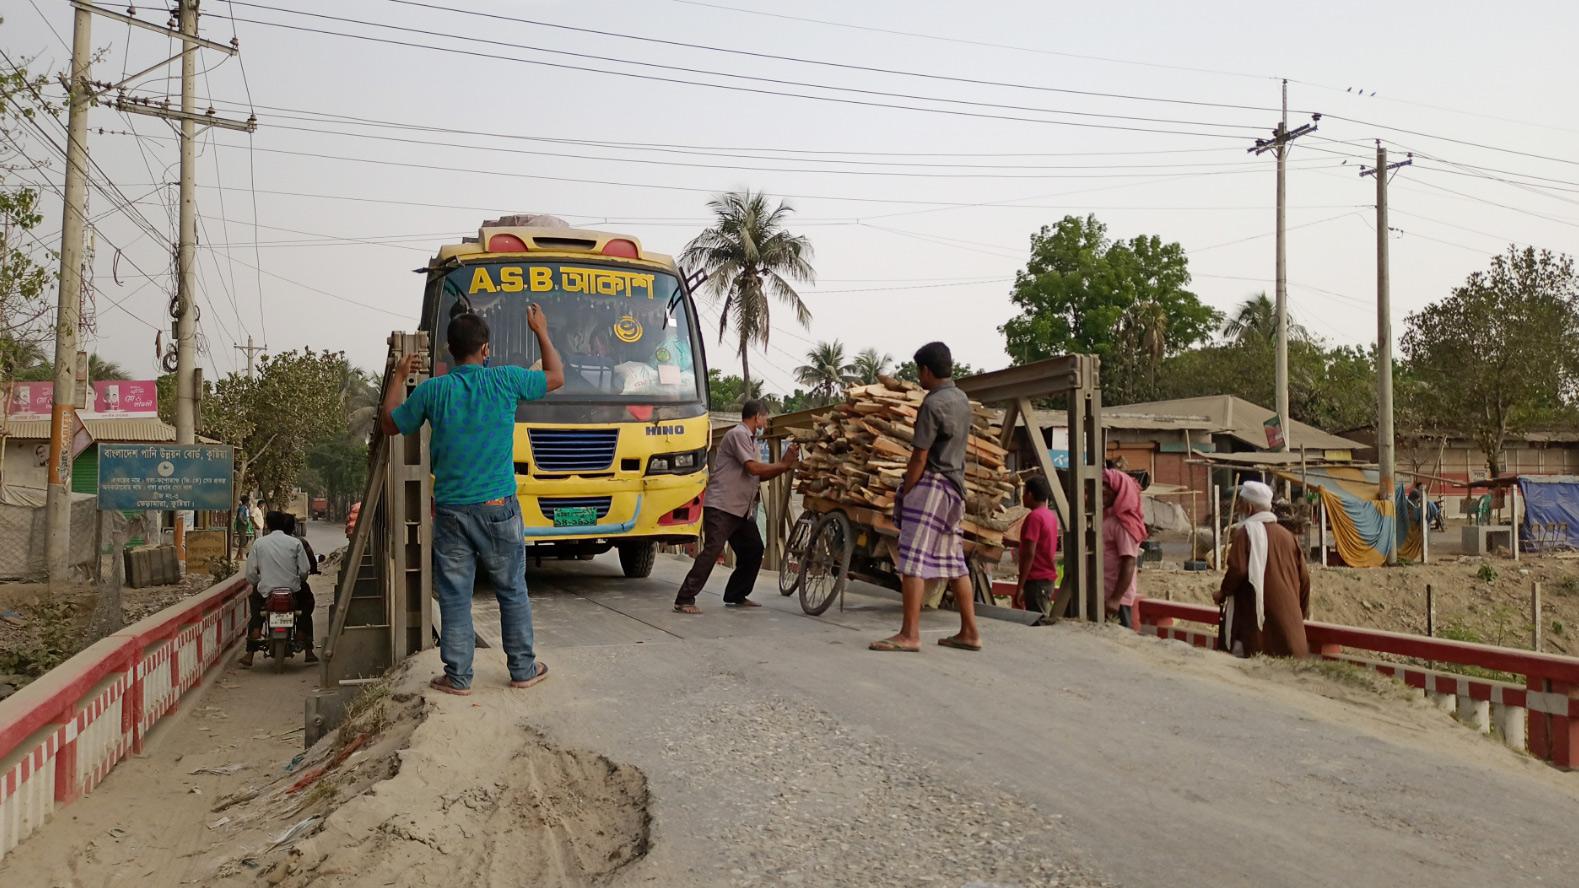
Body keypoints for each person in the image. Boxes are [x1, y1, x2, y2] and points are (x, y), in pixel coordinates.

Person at [381, 307, 565, 696]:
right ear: (485, 349)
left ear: (449, 350)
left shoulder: (433, 390)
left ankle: (459, 677)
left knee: (455, 595)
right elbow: (556, 377)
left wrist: (399, 376)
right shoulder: (506, 379)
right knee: (512, 589)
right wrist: (541, 332)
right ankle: (523, 669)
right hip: (499, 507)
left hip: (450, 511)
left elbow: (390, 423)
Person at [870, 341, 982, 653]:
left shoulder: (932, 404)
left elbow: (920, 456)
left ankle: (910, 634)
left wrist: (906, 490)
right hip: (955, 488)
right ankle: (970, 632)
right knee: (954, 561)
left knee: (912, 560)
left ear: (926, 371)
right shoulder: (961, 399)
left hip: (932, 484)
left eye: (920, 372)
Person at [672, 399, 798, 614]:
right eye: (765, 417)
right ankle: (685, 598)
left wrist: (783, 466)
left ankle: (736, 594)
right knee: (713, 550)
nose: (766, 421)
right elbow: (752, 468)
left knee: (754, 549)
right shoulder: (738, 434)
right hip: (722, 506)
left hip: (740, 509)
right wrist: (784, 465)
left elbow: (758, 472)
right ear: (757, 416)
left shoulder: (751, 440)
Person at [1215, 480, 1311, 658]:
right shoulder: (1288, 537)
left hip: (1258, 635)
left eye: (1240, 505)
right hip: (1292, 635)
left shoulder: (1245, 533)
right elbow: (1304, 580)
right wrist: (1298, 615)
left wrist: (1223, 592)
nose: (1238, 509)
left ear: (1249, 508)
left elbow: (1237, 569)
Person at [240, 510, 316, 667]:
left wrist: (259, 583)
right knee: (306, 605)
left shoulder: (259, 543)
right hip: (293, 590)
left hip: (266, 590)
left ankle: (250, 652)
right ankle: (307, 648)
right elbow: (304, 571)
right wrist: (297, 580)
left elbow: (250, 573)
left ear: (267, 524)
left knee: (256, 608)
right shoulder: (295, 543)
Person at [1102, 468, 1146, 628]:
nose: (1101, 489)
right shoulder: (1108, 519)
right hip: (1104, 595)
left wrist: (1115, 598)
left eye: (1107, 485)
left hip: (1115, 600)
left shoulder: (1123, 524)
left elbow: (1129, 562)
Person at [1016, 475, 1060, 619]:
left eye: (1024, 493)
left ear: (1029, 494)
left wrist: (1020, 585)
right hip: (1046, 579)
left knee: (1037, 622)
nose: (1023, 497)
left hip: (1036, 580)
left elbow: (1030, 553)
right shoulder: (1049, 516)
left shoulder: (1034, 517)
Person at [234, 494, 257, 559]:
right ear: (247, 501)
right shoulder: (243, 507)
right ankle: (240, 556)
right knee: (243, 540)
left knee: (242, 540)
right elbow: (240, 517)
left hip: (243, 527)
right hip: (241, 526)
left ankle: (238, 556)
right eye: (249, 501)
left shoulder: (245, 508)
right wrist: (244, 522)